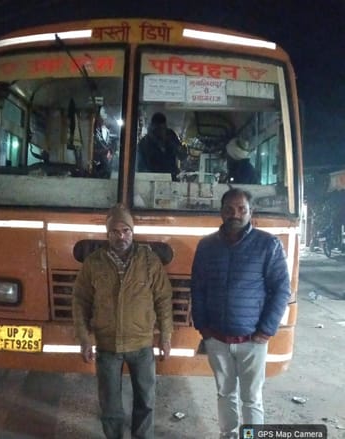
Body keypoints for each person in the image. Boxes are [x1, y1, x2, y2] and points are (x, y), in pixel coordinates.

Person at [190, 188, 291, 438]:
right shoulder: (206, 246)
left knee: (252, 398)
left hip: (253, 340)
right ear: (221, 212)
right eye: (229, 209)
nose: (235, 214)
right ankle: (228, 434)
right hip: (217, 339)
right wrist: (203, 328)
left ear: (250, 212)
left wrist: (266, 330)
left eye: (241, 209)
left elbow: (281, 290)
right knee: (224, 393)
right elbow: (198, 288)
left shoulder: (268, 245)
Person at [73, 203, 173, 439]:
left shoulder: (149, 261)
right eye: (115, 232)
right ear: (107, 234)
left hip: (141, 346)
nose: (121, 237)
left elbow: (163, 299)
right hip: (107, 346)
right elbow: (80, 301)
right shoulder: (94, 263)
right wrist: (84, 339)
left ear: (132, 231)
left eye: (126, 231)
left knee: (146, 401)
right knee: (110, 406)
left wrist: (166, 336)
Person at [137, 112, 187, 181]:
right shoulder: (144, 143)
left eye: (164, 128)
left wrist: (181, 150)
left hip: (172, 177)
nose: (162, 132)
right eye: (159, 129)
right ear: (153, 128)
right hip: (153, 179)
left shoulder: (170, 135)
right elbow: (141, 168)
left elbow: (182, 156)